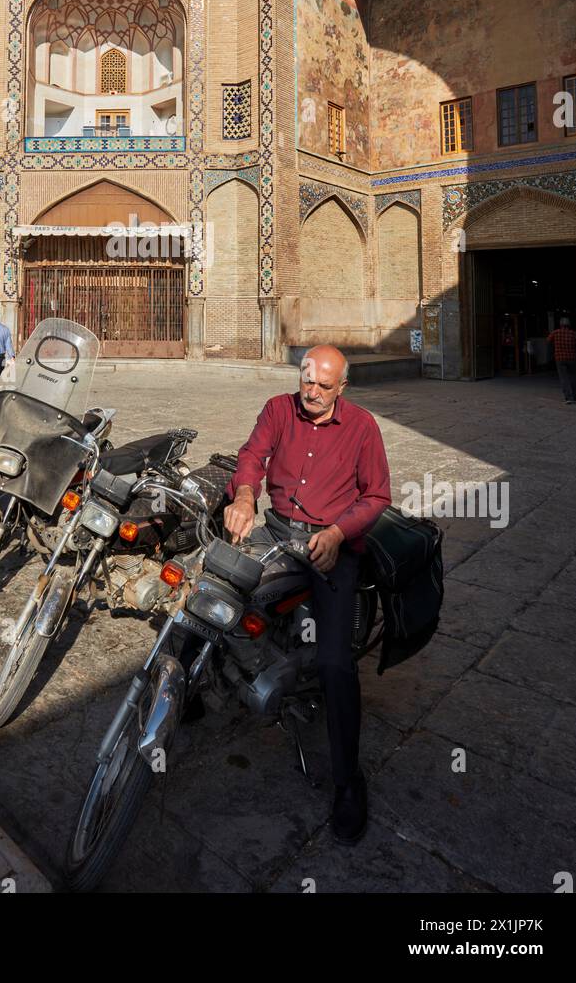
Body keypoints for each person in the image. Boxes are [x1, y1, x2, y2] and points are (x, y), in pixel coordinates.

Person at [224, 345, 391, 845]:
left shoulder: (362, 427)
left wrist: (338, 534)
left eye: (323, 384)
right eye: (307, 380)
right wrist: (245, 495)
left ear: (342, 387)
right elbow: (252, 456)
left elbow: (377, 495)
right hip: (276, 531)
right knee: (214, 593)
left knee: (337, 664)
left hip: (330, 545)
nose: (312, 391)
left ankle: (347, 781)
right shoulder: (279, 409)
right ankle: (192, 694)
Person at [547, 316, 576, 404]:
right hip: (572, 358)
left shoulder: (555, 333)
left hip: (560, 358)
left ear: (560, 324)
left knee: (564, 378)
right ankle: (575, 397)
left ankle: (568, 398)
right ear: (569, 324)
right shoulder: (574, 333)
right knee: (573, 377)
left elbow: (548, 341)